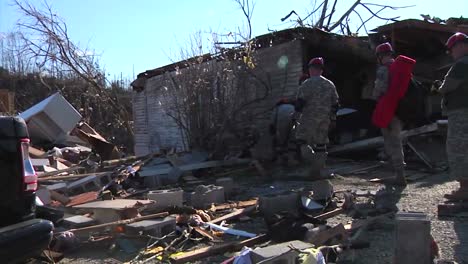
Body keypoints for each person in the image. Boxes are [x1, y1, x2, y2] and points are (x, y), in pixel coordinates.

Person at [437, 32, 468, 201]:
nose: (451, 53)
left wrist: (438, 87)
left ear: (461, 45)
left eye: (451, 49)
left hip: (462, 113)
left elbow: (446, 86)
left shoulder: (462, 64)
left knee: (459, 149)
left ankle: (465, 188)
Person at [295, 57, 339, 175]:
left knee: (302, 141)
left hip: (308, 119)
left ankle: (312, 164)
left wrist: (295, 116)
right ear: (321, 70)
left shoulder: (306, 84)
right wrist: (333, 118)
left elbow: (300, 103)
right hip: (324, 120)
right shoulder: (330, 84)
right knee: (321, 144)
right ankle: (319, 170)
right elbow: (335, 104)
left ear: (311, 69)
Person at [372, 42, 407, 186]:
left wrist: (374, 95)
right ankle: (399, 173)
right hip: (400, 110)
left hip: (388, 109)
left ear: (380, 56)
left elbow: (379, 90)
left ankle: (399, 176)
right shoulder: (401, 68)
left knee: (392, 142)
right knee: (397, 141)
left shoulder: (383, 70)